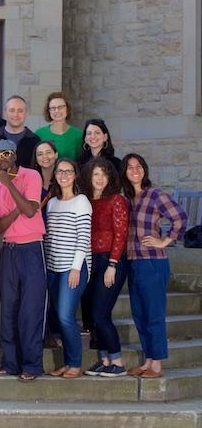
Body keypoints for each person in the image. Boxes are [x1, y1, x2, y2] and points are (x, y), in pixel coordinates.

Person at [121, 153, 187, 379]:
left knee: (153, 314)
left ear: (144, 170)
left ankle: (157, 364)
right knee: (139, 315)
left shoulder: (155, 195)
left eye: (138, 166)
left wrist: (165, 241)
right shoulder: (128, 200)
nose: (135, 170)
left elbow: (180, 218)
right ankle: (148, 360)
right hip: (133, 263)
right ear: (124, 172)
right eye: (130, 167)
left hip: (152, 262)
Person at [0, 140, 47, 382]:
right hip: (9, 250)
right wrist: (16, 210)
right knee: (9, 309)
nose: (2, 158)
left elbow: (31, 211)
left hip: (32, 248)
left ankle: (31, 365)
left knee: (31, 309)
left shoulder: (31, 175)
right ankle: (10, 363)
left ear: (14, 155)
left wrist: (9, 184)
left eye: (6, 153)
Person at [44, 158, 92, 379]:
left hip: (72, 269)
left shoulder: (81, 201)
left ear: (75, 175)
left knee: (65, 316)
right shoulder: (52, 203)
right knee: (59, 317)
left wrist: (75, 268)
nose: (63, 175)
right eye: (60, 171)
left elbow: (83, 238)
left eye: (68, 171)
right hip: (53, 268)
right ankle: (66, 362)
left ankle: (75, 364)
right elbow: (50, 238)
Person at [80, 158, 129, 377]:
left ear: (110, 177)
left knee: (101, 313)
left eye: (104, 174)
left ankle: (117, 361)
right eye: (95, 174)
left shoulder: (116, 200)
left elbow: (121, 235)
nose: (100, 178)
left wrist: (112, 264)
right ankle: (105, 359)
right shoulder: (85, 201)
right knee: (93, 314)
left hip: (111, 261)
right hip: (91, 261)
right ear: (89, 177)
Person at [0, 95, 40, 169]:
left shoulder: (35, 140)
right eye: (12, 110)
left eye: (20, 111)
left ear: (26, 113)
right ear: (5, 112)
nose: (16, 114)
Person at [35, 92, 82, 161]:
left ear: (67, 109)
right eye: (53, 108)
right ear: (49, 111)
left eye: (60, 107)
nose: (57, 111)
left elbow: (81, 162)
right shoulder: (39, 134)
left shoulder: (78, 135)